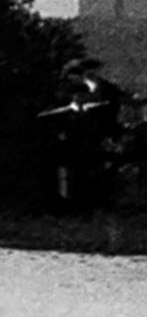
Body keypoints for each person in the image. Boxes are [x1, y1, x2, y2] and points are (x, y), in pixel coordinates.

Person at [45, 59, 125, 212]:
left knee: (92, 170)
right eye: (86, 71)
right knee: (70, 171)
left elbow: (110, 111)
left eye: (94, 71)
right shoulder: (71, 90)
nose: (91, 74)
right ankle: (70, 204)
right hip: (72, 137)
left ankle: (93, 203)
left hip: (95, 135)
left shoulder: (106, 90)